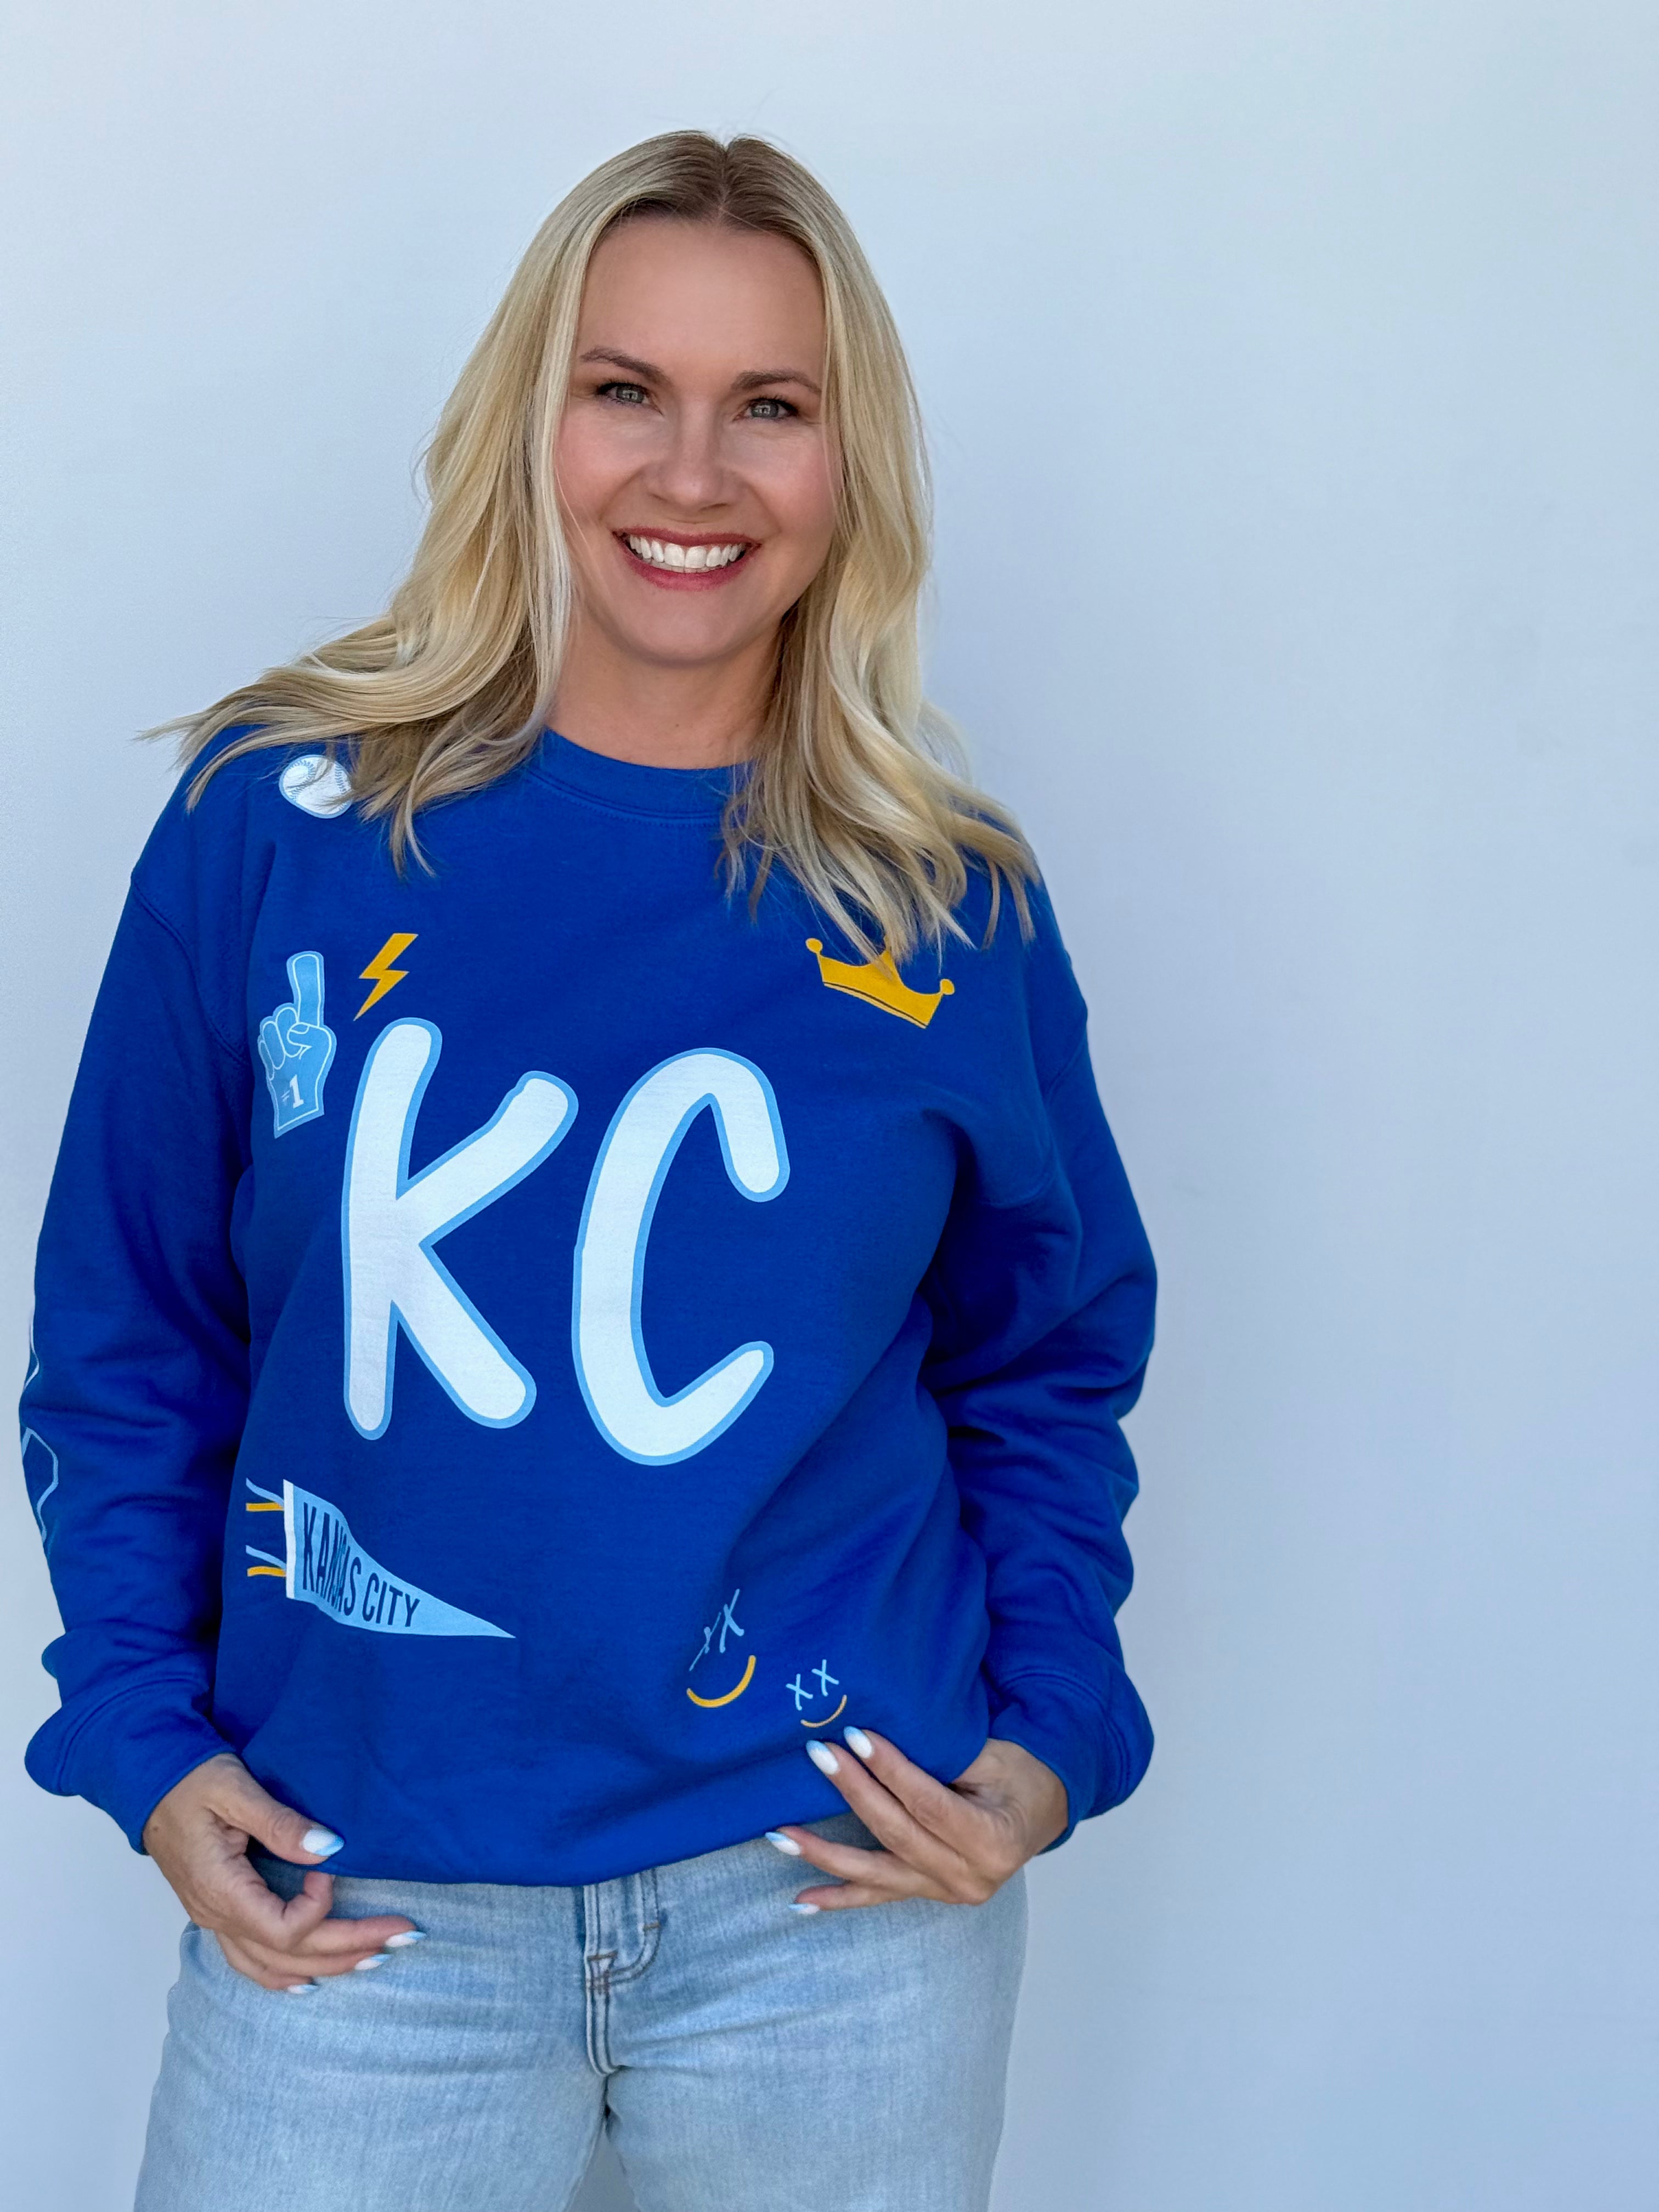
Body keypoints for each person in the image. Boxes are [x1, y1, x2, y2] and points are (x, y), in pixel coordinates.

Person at [19, 130, 1156, 2212]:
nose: (692, 473)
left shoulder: (943, 909)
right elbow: (133, 1329)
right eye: (626, 389)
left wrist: (1051, 1730)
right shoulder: (280, 826)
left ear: (850, 466)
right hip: (357, 1895)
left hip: (833, 1910)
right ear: (527, 422)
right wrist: (141, 1734)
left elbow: (1047, 1361)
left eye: (771, 406)